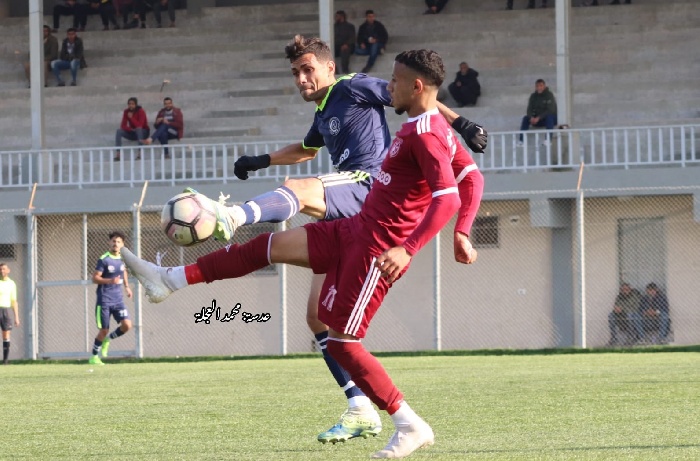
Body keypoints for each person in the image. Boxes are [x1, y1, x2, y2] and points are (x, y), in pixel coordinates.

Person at [123, 48, 481, 459]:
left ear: (330, 67)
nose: (300, 78)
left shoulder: (376, 99)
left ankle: (408, 422)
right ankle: (168, 280)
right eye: (295, 71)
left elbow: (448, 192)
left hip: (368, 220)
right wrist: (261, 161)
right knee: (276, 258)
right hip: (351, 226)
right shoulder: (401, 122)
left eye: (307, 69)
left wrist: (411, 244)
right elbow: (469, 175)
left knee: (343, 331)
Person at [89, 232, 133, 365]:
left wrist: (127, 286)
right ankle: (94, 357)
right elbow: (95, 278)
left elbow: (123, 270)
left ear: (122, 244)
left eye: (118, 242)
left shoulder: (123, 258)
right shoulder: (104, 259)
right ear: (110, 243)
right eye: (113, 241)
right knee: (104, 329)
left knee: (127, 325)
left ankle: (108, 339)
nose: (116, 244)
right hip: (104, 300)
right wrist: (110, 280)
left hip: (118, 300)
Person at [517, 78, 557, 146]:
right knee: (525, 118)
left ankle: (548, 140)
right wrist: (531, 117)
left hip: (550, 119)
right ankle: (521, 141)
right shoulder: (533, 96)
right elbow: (529, 109)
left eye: (541, 86)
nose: (539, 88)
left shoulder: (549, 95)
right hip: (537, 120)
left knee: (549, 117)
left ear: (544, 86)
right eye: (537, 86)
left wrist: (539, 117)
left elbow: (551, 110)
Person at [114, 97, 150, 161]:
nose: (131, 105)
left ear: (135, 105)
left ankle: (140, 153)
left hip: (143, 132)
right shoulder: (126, 111)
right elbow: (123, 125)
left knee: (138, 129)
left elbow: (140, 125)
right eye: (129, 104)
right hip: (133, 132)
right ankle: (118, 154)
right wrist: (130, 129)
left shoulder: (141, 111)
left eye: (132, 104)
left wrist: (131, 118)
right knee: (119, 131)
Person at [0, 263, 20, 365]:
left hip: (5, 310)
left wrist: (17, 317)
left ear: (8, 270)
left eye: (4, 269)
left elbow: (14, 301)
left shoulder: (11, 284)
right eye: (0, 269)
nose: (2, 271)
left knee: (6, 334)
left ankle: (5, 361)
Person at [334, 10, 355, 75]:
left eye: (337, 16)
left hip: (347, 46)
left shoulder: (350, 26)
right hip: (336, 46)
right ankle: (336, 71)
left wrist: (346, 44)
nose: (336, 18)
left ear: (342, 16)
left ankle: (345, 71)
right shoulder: (334, 27)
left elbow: (352, 38)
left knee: (345, 51)